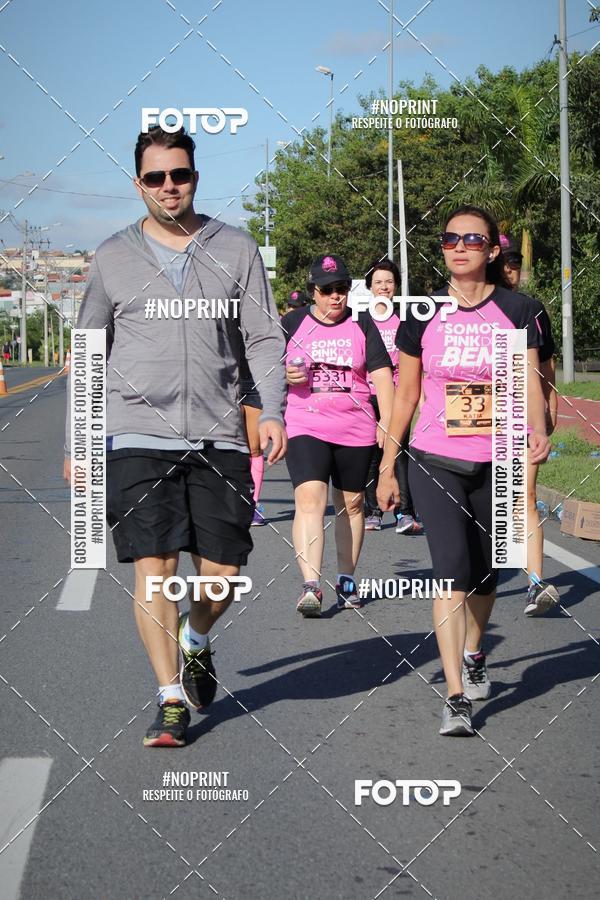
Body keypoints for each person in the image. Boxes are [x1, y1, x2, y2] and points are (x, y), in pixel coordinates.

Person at [64, 125, 286, 747]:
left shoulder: (236, 249)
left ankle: (196, 636)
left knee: (222, 576)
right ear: (139, 184)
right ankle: (168, 700)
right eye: (156, 177)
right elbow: (89, 351)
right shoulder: (112, 256)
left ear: (195, 177)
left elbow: (265, 338)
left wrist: (271, 410)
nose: (169, 186)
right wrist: (78, 443)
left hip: (219, 434)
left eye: (179, 174)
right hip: (136, 434)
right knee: (155, 571)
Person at [378, 205, 550, 737]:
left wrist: (539, 428)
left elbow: (528, 379)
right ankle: (455, 694)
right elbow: (405, 396)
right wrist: (388, 466)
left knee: (486, 575)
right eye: (450, 238)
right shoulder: (423, 315)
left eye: (471, 239)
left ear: (492, 250)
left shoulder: (517, 309)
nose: (458, 246)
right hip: (435, 459)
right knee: (450, 571)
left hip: (497, 458)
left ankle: (475, 652)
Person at [282, 254, 394, 616]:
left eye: (342, 289)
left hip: (355, 427)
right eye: (327, 290)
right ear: (313, 291)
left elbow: (382, 379)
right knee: (311, 500)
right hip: (306, 424)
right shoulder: (293, 322)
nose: (336, 297)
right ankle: (311, 585)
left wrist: (386, 426)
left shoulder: (362, 324)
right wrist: (285, 376)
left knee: (352, 504)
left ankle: (346, 578)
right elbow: (266, 369)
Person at [499, 236, 559, 615]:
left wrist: (549, 412)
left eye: (514, 264)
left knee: (524, 495)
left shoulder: (533, 310)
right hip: (476, 424)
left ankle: (535, 582)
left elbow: (546, 369)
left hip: (522, 416)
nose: (509, 271)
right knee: (490, 504)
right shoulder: (466, 307)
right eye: (502, 263)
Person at [362, 258, 424, 535]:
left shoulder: (405, 319)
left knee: (398, 451)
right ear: (369, 287)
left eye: (389, 282)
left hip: (399, 396)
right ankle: (372, 511)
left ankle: (405, 513)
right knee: (370, 455)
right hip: (366, 396)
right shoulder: (360, 319)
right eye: (378, 282)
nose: (384, 287)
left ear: (396, 287)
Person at [240, 356, 267, 526]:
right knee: (224, 444)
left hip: (253, 381)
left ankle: (253, 503)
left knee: (254, 448)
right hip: (223, 379)